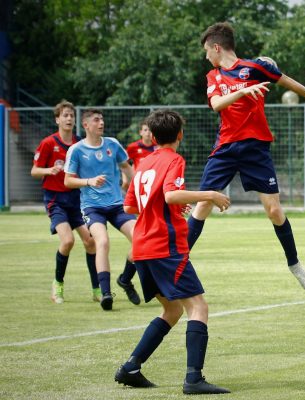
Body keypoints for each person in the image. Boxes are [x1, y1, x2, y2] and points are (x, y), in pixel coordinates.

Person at [186, 22, 305, 292]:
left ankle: (295, 265)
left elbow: (286, 81)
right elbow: (216, 105)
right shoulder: (214, 76)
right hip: (225, 148)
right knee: (202, 206)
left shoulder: (255, 68)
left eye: (206, 51)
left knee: (273, 210)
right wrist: (242, 91)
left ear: (216, 47)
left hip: (256, 148)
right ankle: (176, 265)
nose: (206, 57)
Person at [115, 109, 231, 394]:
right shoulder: (174, 159)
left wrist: (172, 207)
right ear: (180, 134)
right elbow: (169, 195)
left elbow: (130, 207)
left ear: (152, 137)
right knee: (198, 307)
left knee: (172, 309)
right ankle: (194, 379)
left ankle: (131, 367)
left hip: (141, 248)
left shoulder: (143, 163)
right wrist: (210, 195)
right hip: (164, 246)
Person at [64, 108, 141, 311]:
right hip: (92, 208)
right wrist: (89, 181)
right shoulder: (76, 150)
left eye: (102, 120)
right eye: (96, 120)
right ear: (86, 125)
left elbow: (126, 166)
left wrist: (131, 183)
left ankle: (125, 279)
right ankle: (106, 293)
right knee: (103, 241)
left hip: (116, 205)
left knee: (141, 238)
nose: (101, 123)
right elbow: (68, 181)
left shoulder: (112, 144)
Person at [31, 100, 99, 304]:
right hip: (55, 200)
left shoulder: (80, 144)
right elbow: (34, 171)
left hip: (76, 199)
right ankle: (57, 285)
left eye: (71, 115)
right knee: (68, 241)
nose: (69, 118)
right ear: (57, 119)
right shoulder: (48, 143)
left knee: (91, 241)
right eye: (65, 115)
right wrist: (48, 170)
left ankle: (97, 289)